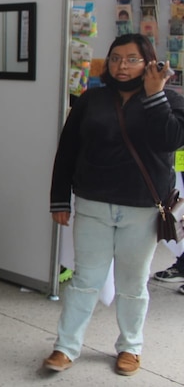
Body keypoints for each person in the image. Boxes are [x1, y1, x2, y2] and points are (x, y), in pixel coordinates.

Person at [43, 33, 184, 377]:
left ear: (149, 62)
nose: (122, 65)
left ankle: (130, 347)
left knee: (133, 283)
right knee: (84, 280)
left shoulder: (168, 99)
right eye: (116, 58)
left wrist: (153, 95)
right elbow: (67, 151)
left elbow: (170, 139)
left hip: (142, 208)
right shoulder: (93, 100)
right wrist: (60, 198)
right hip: (93, 204)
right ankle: (66, 346)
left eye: (133, 59)